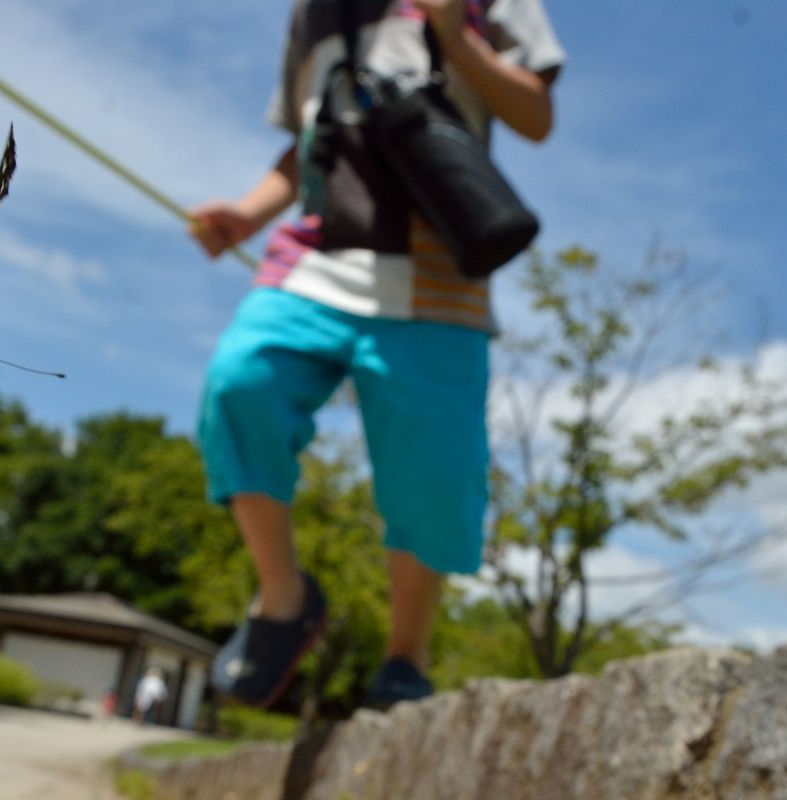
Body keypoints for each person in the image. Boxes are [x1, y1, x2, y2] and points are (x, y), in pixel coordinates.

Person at [188, 0, 563, 710]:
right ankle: (283, 598)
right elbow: (306, 135)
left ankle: (406, 656)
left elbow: (536, 114)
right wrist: (248, 211)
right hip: (316, 258)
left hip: (438, 273)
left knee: (432, 470)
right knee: (240, 385)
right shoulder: (312, 15)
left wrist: (456, 35)